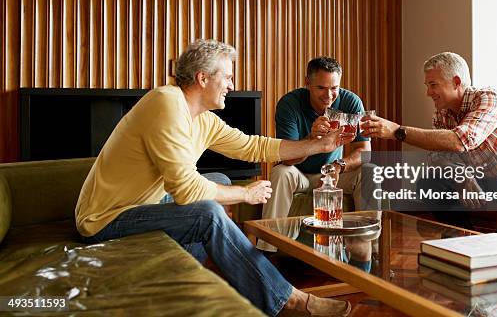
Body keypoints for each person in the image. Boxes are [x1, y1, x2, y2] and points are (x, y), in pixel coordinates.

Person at [75, 39, 352, 317]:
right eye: (228, 77)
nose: (232, 85)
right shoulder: (166, 102)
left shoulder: (202, 118)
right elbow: (185, 189)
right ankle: (289, 301)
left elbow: (252, 146)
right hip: (107, 219)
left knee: (221, 180)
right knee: (207, 213)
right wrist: (246, 194)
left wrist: (318, 146)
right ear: (203, 78)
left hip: (146, 203)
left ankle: (194, 274)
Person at [360, 52, 497, 239]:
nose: (428, 93)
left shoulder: (489, 98)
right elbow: (437, 157)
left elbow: (460, 141)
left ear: (457, 82)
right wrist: (462, 177)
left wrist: (397, 131)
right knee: (429, 182)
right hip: (489, 180)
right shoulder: (442, 114)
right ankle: (466, 240)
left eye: (433, 85)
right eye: (427, 85)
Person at [258, 57, 371, 250]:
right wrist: (312, 139)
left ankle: (368, 247)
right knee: (280, 173)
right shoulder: (289, 103)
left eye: (334, 88)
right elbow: (288, 158)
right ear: (307, 83)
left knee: (370, 170)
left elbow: (364, 152)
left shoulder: (351, 102)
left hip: (333, 173)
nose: (329, 95)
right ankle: (268, 250)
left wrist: (338, 166)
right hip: (299, 173)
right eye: (321, 88)